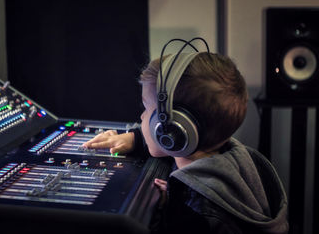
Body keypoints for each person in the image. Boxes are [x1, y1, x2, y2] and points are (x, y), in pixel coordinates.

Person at [82, 50, 288, 234]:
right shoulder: (234, 157)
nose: (142, 117)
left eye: (147, 109)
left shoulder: (195, 213)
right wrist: (135, 138)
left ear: (172, 129)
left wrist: (166, 214)